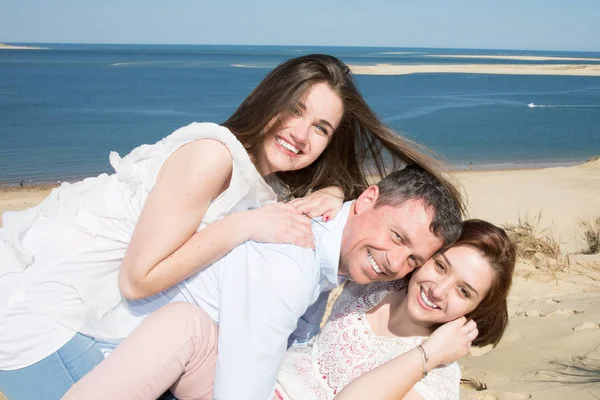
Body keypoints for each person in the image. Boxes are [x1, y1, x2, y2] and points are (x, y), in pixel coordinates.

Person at [0, 54, 461, 400]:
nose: (302, 134)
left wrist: (335, 192)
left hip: (116, 325)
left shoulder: (274, 190)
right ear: (268, 99)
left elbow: (358, 210)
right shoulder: (215, 158)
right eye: (295, 109)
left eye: (321, 128)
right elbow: (137, 280)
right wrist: (243, 225)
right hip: (57, 317)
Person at [61, 166, 462, 400]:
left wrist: (334, 189)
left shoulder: (340, 256)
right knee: (184, 327)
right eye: (397, 236)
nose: (394, 262)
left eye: (413, 258)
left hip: (192, 359)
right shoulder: (292, 261)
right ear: (368, 199)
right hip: (130, 350)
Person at [63, 219, 515, 400]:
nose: (438, 289)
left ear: (471, 312)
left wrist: (428, 356)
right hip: (249, 386)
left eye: (463, 291)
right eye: (439, 265)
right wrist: (330, 195)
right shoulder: (385, 283)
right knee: (187, 324)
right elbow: (367, 219)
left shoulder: (437, 372)